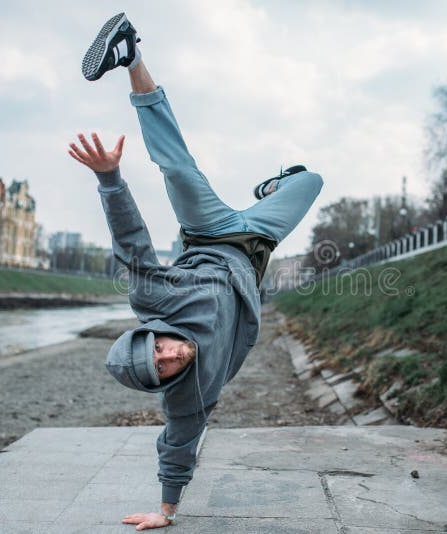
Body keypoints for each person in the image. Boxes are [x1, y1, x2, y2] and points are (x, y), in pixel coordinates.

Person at [68, 13, 323, 531]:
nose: (171, 354)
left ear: (151, 333)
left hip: (209, 231)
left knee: (178, 168)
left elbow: (132, 243)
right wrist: (166, 512)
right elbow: (179, 442)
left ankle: (130, 54)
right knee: (313, 180)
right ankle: (278, 188)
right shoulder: (191, 392)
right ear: (161, 382)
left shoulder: (154, 303)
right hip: (256, 248)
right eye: (162, 367)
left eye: (157, 347)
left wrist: (110, 179)